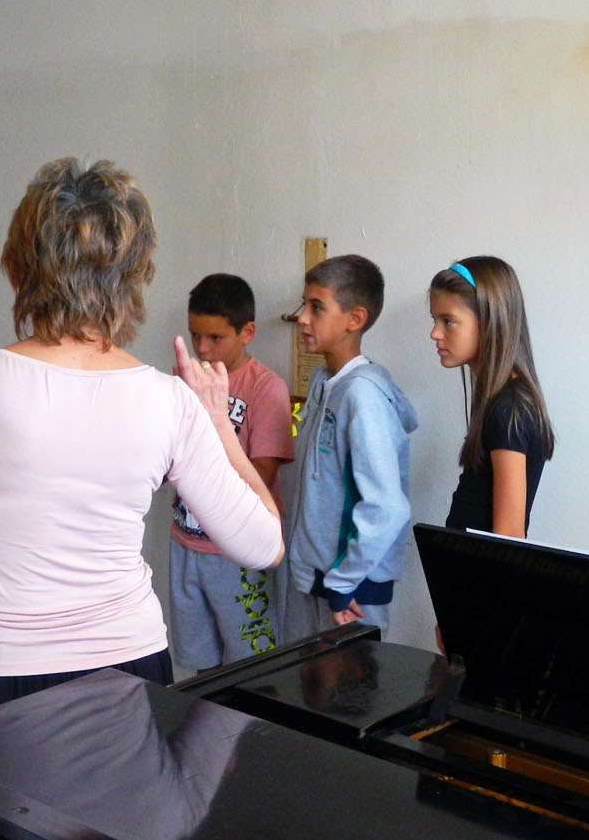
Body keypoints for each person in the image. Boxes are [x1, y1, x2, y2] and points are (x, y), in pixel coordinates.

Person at [0, 157, 282, 719]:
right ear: (134, 275)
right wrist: (220, 425)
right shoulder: (169, 400)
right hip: (130, 665)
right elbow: (264, 546)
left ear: (18, 266)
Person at [285, 254, 418, 638]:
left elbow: (387, 507)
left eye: (316, 307)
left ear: (355, 319)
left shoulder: (363, 397)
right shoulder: (323, 381)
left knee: (350, 680)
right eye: (304, 305)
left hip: (351, 591)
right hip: (320, 578)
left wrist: (344, 583)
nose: (302, 318)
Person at [169, 274, 295, 673]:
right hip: (186, 541)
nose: (202, 348)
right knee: (199, 664)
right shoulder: (185, 382)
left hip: (240, 552)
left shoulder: (265, 388)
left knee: (251, 668)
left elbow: (262, 472)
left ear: (247, 333)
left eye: (215, 338)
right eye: (195, 335)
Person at [426, 257, 555, 537]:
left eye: (448, 321)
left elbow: (509, 535)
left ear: (489, 322)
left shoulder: (508, 409)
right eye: (435, 320)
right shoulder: (497, 400)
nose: (434, 333)